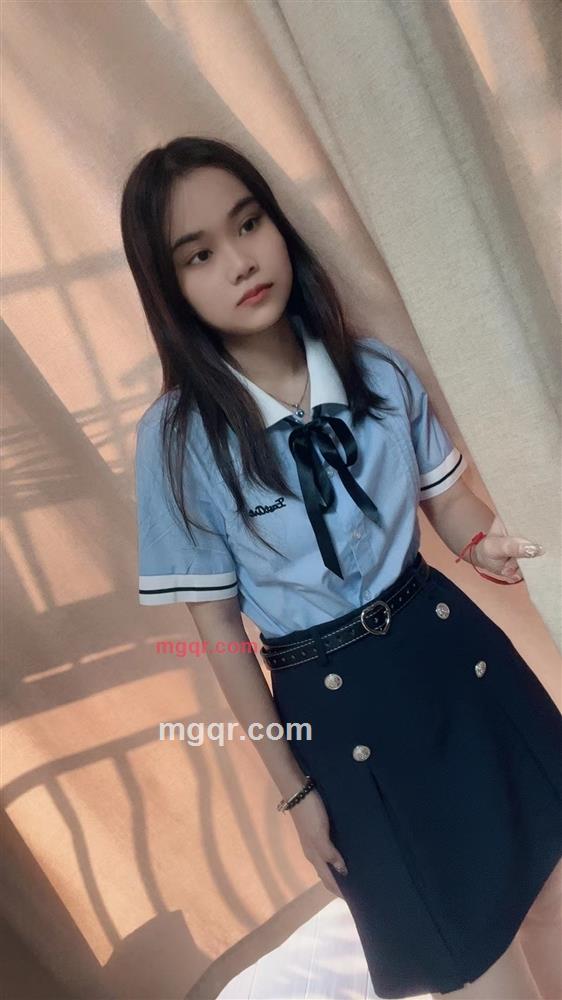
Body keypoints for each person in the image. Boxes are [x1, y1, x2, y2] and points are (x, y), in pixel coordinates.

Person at [122, 136, 562, 1000]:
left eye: (249, 223)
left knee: (552, 886)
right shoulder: (177, 444)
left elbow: (447, 501)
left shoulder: (380, 373)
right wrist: (295, 794)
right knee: (471, 963)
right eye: (199, 255)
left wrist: (487, 544)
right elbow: (219, 633)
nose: (241, 261)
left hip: (458, 657)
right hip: (339, 710)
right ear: (168, 287)